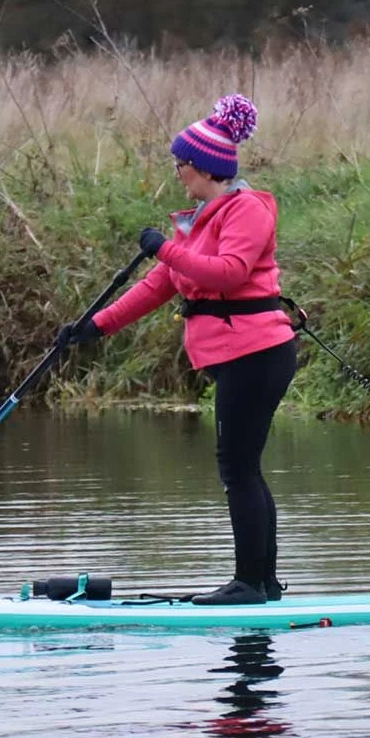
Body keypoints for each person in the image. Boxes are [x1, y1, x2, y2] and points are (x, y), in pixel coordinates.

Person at [58, 94, 297, 606]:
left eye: (181, 165)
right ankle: (262, 583)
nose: (177, 174)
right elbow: (161, 284)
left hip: (257, 354)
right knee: (243, 466)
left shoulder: (247, 211)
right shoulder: (200, 219)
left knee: (238, 468)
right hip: (239, 356)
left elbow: (230, 272)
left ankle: (251, 584)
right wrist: (93, 327)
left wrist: (166, 247)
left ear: (206, 167)